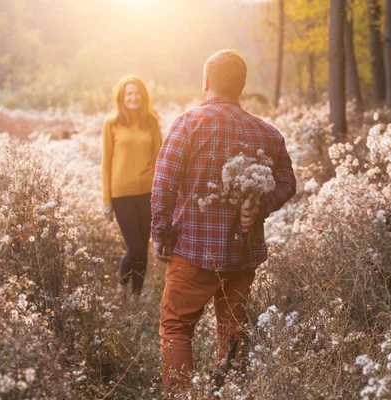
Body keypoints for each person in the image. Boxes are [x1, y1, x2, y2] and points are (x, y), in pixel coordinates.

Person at [151, 49, 296, 397]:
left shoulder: (188, 123)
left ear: (206, 82)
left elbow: (163, 182)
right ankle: (229, 391)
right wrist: (260, 207)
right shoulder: (267, 133)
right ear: (243, 86)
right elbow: (288, 183)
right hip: (242, 254)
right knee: (232, 328)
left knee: (176, 327)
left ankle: (179, 395)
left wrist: (160, 234)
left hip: (192, 251)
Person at [101, 75, 162, 306]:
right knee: (134, 247)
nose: (133, 97)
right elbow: (106, 163)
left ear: (143, 96)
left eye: (137, 93)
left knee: (143, 247)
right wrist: (106, 201)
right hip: (121, 194)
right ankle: (121, 286)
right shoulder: (112, 123)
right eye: (129, 94)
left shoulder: (152, 121)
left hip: (148, 193)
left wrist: (162, 195)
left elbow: (159, 160)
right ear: (122, 98)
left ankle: (136, 297)